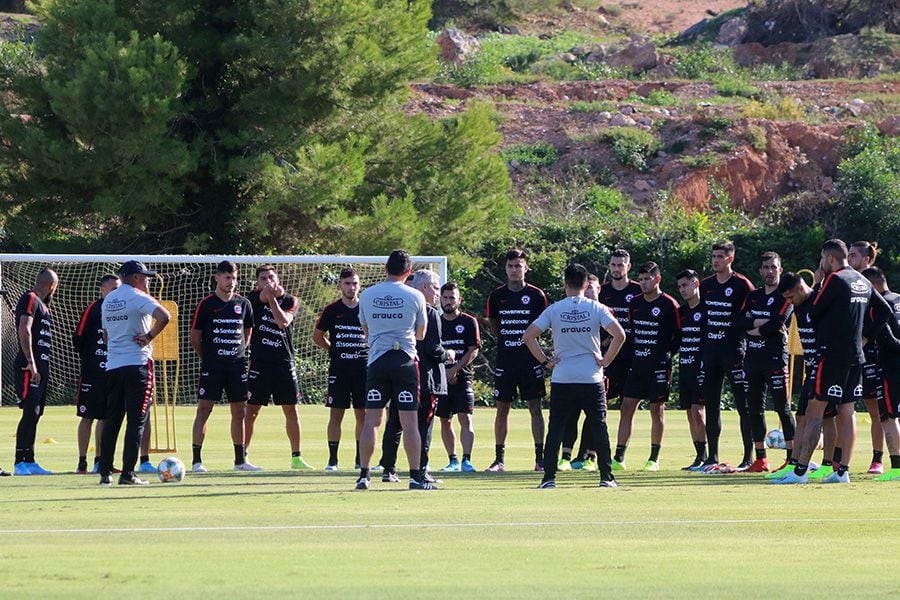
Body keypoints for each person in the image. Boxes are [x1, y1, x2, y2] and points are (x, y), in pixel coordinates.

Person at [773, 240, 889, 484]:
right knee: (847, 413)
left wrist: (819, 282)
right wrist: (865, 338)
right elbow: (885, 311)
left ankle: (801, 472)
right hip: (856, 356)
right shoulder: (862, 280)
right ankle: (842, 471)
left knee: (815, 412)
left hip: (832, 356)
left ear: (831, 259)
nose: (822, 264)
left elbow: (813, 311)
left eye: (823, 260)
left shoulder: (835, 280)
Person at [525, 263, 626, 489]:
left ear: (564, 285)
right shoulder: (596, 308)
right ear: (586, 284)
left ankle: (549, 478)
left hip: (563, 377)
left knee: (556, 428)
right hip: (591, 377)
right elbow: (619, 334)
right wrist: (606, 360)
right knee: (599, 426)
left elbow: (529, 336)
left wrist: (545, 361)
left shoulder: (554, 309)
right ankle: (606, 477)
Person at [355, 249, 433, 490]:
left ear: (385, 269)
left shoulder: (367, 295)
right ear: (408, 272)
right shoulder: (416, 296)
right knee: (409, 422)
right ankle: (414, 477)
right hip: (405, 361)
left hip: (377, 361)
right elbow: (421, 333)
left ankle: (364, 476)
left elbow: (365, 330)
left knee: (372, 421)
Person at [567, 251, 642, 471]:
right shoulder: (602, 292)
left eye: (620, 264)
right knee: (596, 407)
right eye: (613, 264)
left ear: (628, 267)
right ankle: (586, 455)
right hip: (602, 360)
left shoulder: (638, 291)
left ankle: (619, 456)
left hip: (630, 359)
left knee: (628, 408)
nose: (616, 268)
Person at [377, 269, 453, 483]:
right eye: (436, 288)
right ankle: (420, 470)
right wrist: (449, 355)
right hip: (425, 378)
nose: (438, 293)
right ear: (424, 287)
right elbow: (433, 348)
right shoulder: (429, 313)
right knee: (423, 425)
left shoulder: (402, 310)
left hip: (399, 372)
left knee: (395, 422)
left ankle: (388, 469)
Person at [99, 260, 170, 485]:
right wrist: (148, 337)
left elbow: (106, 336)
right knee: (137, 420)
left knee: (112, 420)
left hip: (113, 365)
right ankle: (128, 473)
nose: (148, 280)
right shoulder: (139, 297)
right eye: (145, 277)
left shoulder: (108, 299)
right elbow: (164, 316)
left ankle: (105, 473)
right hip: (137, 364)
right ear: (137, 278)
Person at [189, 261, 257, 473]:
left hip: (236, 366)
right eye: (227, 277)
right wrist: (208, 357)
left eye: (234, 278)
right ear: (217, 278)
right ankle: (197, 461)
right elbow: (195, 336)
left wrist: (239, 353)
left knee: (239, 412)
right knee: (204, 409)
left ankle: (240, 461)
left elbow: (247, 332)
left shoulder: (244, 303)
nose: (231, 282)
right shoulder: (207, 304)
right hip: (213, 366)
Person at [613, 262, 681, 472]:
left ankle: (653, 458)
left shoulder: (669, 304)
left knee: (656, 411)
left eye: (647, 279)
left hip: (659, 366)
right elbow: (632, 332)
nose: (642, 283)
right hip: (637, 365)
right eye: (641, 279)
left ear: (657, 279)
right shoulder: (634, 303)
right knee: (626, 407)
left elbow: (677, 335)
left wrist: (665, 355)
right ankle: (619, 456)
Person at [485, 249, 548, 472]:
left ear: (526, 268)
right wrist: (506, 341)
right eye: (511, 266)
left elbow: (542, 325)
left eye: (518, 266)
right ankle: (499, 459)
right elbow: (494, 324)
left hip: (530, 361)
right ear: (506, 268)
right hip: (506, 361)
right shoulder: (496, 296)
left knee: (535, 409)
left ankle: (540, 459)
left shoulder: (537, 296)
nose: (514, 270)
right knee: (502, 410)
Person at [768, 272, 835, 481]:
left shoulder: (819, 300)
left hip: (827, 366)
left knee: (829, 418)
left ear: (800, 288)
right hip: (812, 367)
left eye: (790, 297)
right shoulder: (799, 304)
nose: (789, 302)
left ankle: (827, 464)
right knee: (802, 416)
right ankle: (795, 464)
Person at [246, 264, 313, 470]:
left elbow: (283, 322)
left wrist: (272, 299)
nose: (268, 282)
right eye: (263, 279)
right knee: (251, 412)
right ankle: (242, 457)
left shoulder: (290, 300)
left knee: (291, 411)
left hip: (284, 363)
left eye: (271, 278)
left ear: (278, 279)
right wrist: (264, 296)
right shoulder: (251, 299)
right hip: (259, 363)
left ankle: (296, 457)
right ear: (257, 283)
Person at [700, 241, 754, 473]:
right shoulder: (706, 285)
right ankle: (712, 455)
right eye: (713, 256)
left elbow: (750, 315)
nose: (715, 260)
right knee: (711, 405)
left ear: (730, 259)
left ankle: (749, 457)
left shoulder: (742, 285)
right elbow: (703, 317)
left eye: (720, 256)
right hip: (711, 352)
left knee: (744, 405)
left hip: (735, 352)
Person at [739, 252, 795, 473]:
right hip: (752, 359)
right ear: (760, 270)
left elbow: (779, 322)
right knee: (754, 408)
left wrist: (755, 328)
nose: (770, 271)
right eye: (766, 267)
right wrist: (760, 325)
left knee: (783, 408)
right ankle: (761, 459)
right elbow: (739, 321)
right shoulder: (753, 296)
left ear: (780, 269)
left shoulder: (786, 295)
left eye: (773, 267)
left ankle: (791, 459)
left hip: (775, 359)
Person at [313, 267, 366, 471]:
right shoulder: (332, 310)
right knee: (336, 414)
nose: (351, 287)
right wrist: (332, 350)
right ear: (340, 285)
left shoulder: (366, 308)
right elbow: (318, 336)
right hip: (339, 370)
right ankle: (332, 460)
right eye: (347, 283)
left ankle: (360, 459)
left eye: (354, 283)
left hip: (362, 370)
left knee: (362, 414)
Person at [12, 267, 59, 476]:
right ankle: (19, 461)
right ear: (52, 286)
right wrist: (31, 362)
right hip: (28, 367)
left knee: (36, 413)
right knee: (30, 411)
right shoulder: (30, 298)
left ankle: (30, 460)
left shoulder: (44, 306)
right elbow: (24, 328)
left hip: (41, 368)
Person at [73, 274, 120, 474]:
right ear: (103, 290)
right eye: (113, 288)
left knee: (106, 417)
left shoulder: (122, 309)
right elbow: (79, 337)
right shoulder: (93, 309)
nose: (117, 292)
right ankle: (82, 461)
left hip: (112, 371)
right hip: (92, 373)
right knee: (88, 416)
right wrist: (91, 359)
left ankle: (100, 461)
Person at [560, 273, 604, 471]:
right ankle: (566, 456)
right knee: (570, 413)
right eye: (586, 288)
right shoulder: (571, 311)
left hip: (597, 372)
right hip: (572, 374)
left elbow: (618, 335)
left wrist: (604, 358)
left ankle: (590, 457)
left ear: (597, 288)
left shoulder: (602, 311)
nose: (586, 292)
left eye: (590, 288)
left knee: (594, 417)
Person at [848, 241, 886, 474]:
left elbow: (884, 315)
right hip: (851, 356)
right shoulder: (846, 282)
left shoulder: (870, 284)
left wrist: (865, 339)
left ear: (866, 260)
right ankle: (837, 460)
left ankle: (878, 458)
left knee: (879, 410)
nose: (849, 259)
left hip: (875, 356)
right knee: (846, 407)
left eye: (853, 256)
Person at [436, 282, 481, 473]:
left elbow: (473, 351)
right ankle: (452, 460)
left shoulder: (469, 321)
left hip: (463, 378)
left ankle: (466, 460)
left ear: (459, 299)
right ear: (440, 299)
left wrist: (454, 369)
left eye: (452, 297)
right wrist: (443, 372)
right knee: (445, 420)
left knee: (465, 417)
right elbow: (432, 350)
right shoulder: (434, 322)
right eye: (445, 297)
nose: (448, 301)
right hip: (440, 379)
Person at [861, 267, 900, 482]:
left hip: (891, 368)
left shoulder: (878, 306)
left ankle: (896, 468)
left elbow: (889, 341)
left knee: (888, 418)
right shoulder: (899, 299)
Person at [675, 269, 707, 471]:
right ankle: (698, 455)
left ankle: (707, 456)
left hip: (701, 367)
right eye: (679, 287)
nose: (682, 290)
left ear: (696, 284)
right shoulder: (682, 312)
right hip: (685, 366)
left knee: (698, 411)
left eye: (685, 285)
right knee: (689, 412)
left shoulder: (707, 309)